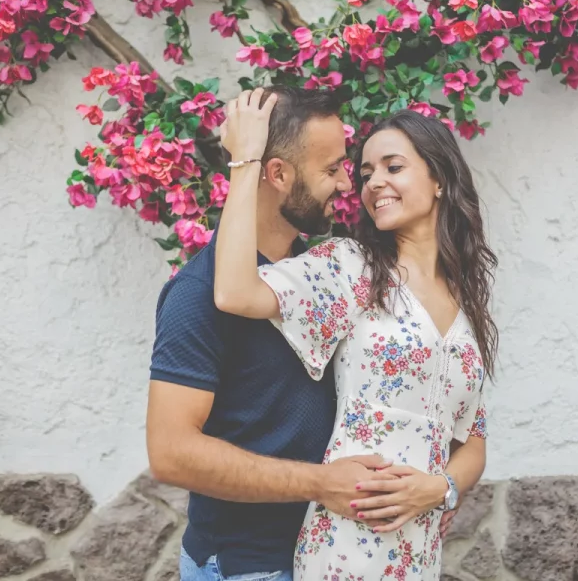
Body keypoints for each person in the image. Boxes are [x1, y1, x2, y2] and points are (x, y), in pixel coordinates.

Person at [214, 88, 495, 580]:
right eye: (366, 173)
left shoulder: (466, 303)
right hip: (347, 546)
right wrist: (246, 161)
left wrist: (441, 489)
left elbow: (472, 440)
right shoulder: (352, 268)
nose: (373, 184)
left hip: (420, 553)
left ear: (439, 181)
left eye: (393, 167)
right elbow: (236, 292)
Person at [146, 86, 404, 581]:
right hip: (251, 566)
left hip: (330, 556)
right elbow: (170, 452)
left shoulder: (320, 272)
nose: (346, 185)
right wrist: (322, 483)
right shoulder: (197, 294)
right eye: (331, 170)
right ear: (278, 174)